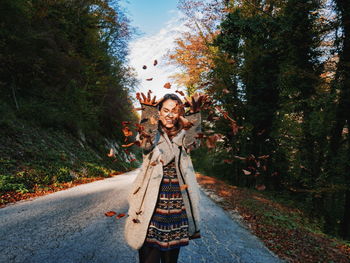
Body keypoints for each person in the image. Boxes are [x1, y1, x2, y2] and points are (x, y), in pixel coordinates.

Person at [124, 91, 207, 263]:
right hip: (151, 206)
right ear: (159, 112)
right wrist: (147, 114)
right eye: (166, 110)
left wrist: (195, 116)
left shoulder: (184, 136)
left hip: (177, 208)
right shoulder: (152, 134)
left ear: (179, 114)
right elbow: (144, 143)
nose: (170, 115)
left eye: (175, 111)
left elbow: (195, 143)